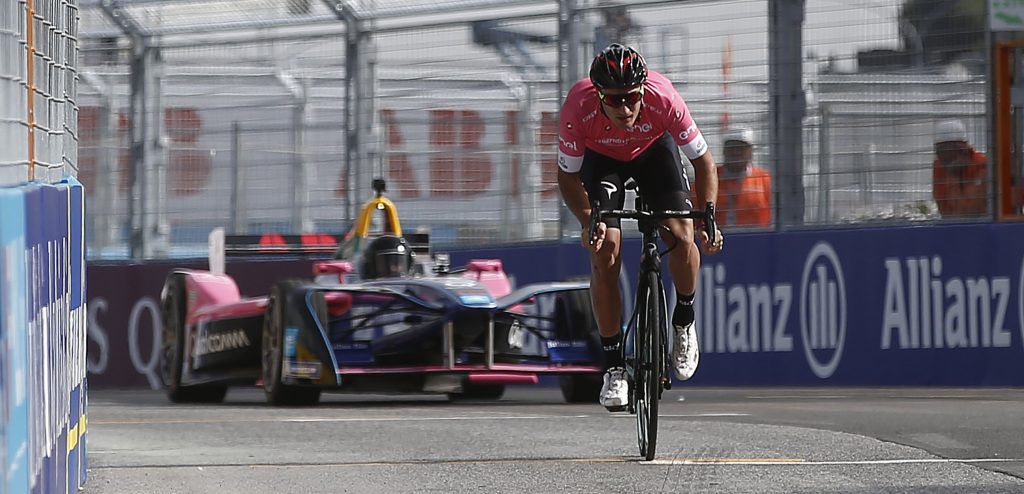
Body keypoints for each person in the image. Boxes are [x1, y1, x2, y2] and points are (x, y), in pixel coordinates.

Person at [556, 44, 724, 410]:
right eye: (614, 101)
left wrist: (707, 216)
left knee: (681, 234)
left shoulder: (664, 99)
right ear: (598, 95)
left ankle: (683, 320)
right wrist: (589, 220)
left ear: (644, 90)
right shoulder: (577, 107)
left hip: (654, 153)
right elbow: (567, 177)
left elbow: (704, 162)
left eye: (632, 98)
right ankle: (614, 367)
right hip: (603, 162)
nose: (625, 108)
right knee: (605, 251)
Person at [932, 120, 988, 218]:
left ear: (962, 149)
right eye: (940, 151)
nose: (943, 157)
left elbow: (971, 209)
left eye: (947, 150)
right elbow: (943, 208)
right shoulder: (939, 166)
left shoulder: (981, 164)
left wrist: (953, 176)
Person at [717, 127, 771, 227]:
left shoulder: (764, 179)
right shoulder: (710, 177)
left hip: (756, 238)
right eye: (732, 148)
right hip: (717, 238)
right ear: (724, 150)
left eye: (741, 148)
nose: (736, 152)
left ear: (750, 152)